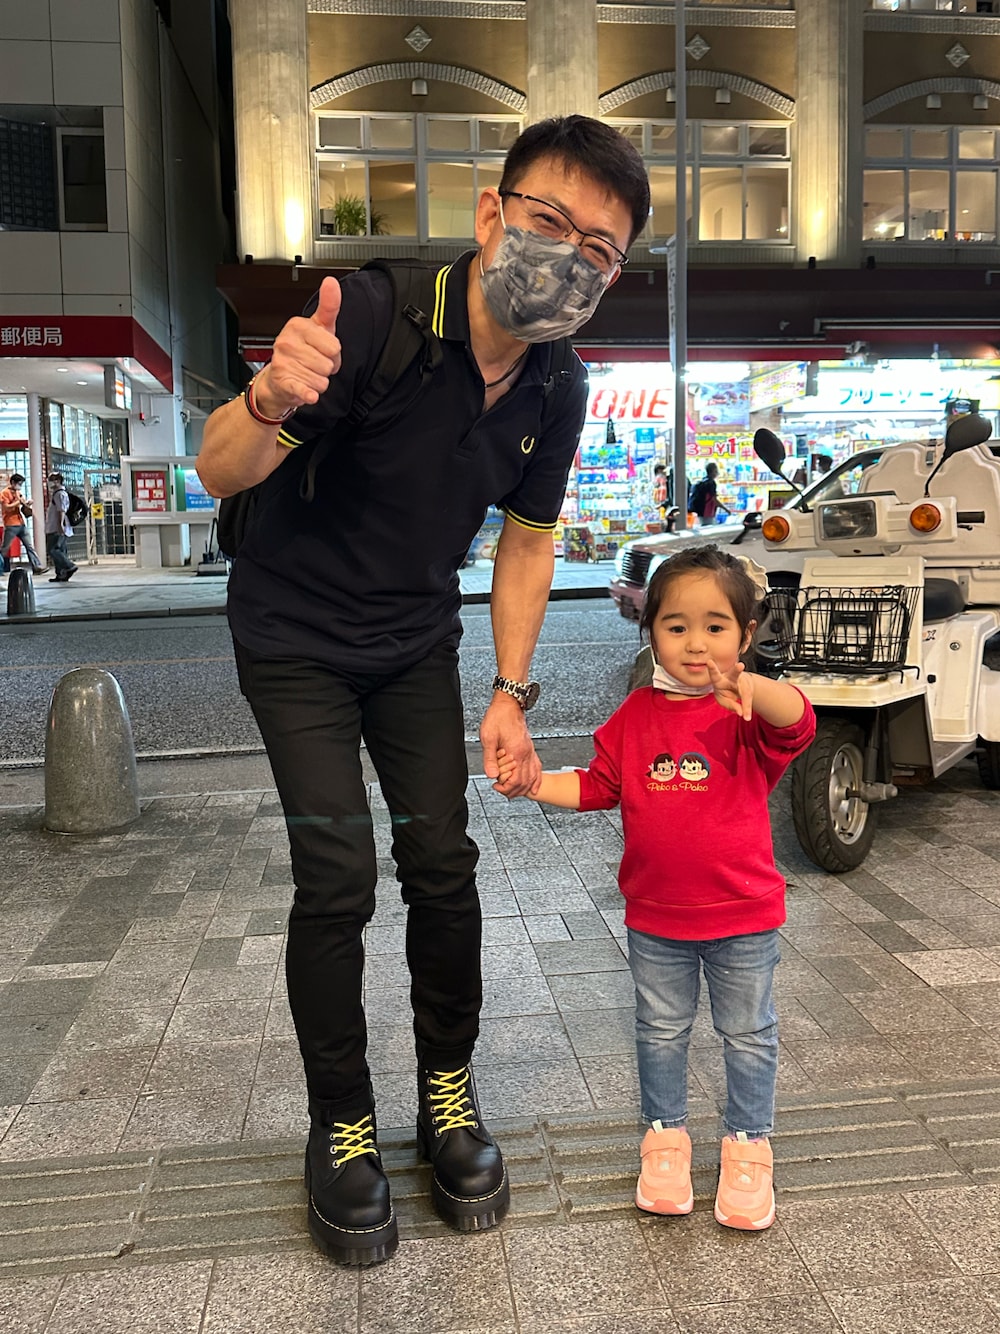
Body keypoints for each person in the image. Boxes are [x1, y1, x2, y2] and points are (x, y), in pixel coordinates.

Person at [195, 115, 651, 1267]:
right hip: (293, 635)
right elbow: (217, 468)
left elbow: (528, 541)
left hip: (409, 641)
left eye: (598, 250)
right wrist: (266, 400)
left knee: (443, 862)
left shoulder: (557, 384)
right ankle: (340, 1120)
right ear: (492, 214)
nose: (567, 257)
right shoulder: (377, 316)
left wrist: (508, 691)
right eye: (549, 221)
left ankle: (448, 1091)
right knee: (337, 872)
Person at [497, 546, 815, 1231]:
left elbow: (799, 719)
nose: (696, 643)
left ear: (745, 635)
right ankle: (665, 1140)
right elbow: (598, 786)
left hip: (744, 916)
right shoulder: (636, 715)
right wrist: (533, 783)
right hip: (656, 919)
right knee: (661, 1032)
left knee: (748, 1034)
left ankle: (749, 1146)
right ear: (651, 633)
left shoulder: (750, 711)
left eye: (715, 627)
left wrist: (752, 688)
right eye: (676, 626)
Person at [0, 473, 43, 573]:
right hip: (11, 524)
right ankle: (1, 567)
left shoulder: (18, 493)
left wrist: (27, 503)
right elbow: (6, 507)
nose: (20, 486)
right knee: (5, 548)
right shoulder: (4, 493)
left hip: (20, 523)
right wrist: (17, 502)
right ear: (12, 482)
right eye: (19, 483)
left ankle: (37, 566)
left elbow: (22, 503)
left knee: (29, 546)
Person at [44, 472, 78, 582]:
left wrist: (60, 524)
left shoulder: (59, 494)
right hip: (56, 526)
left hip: (56, 527)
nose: (49, 482)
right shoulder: (58, 494)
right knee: (60, 550)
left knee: (53, 549)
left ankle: (69, 566)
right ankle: (61, 574)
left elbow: (61, 510)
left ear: (58, 481)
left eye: (52, 480)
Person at [687, 461, 729, 526]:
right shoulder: (711, 483)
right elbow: (714, 500)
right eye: (716, 471)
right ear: (713, 471)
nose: (717, 473)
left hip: (700, 511)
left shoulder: (703, 481)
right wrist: (726, 509)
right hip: (707, 512)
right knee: (708, 527)